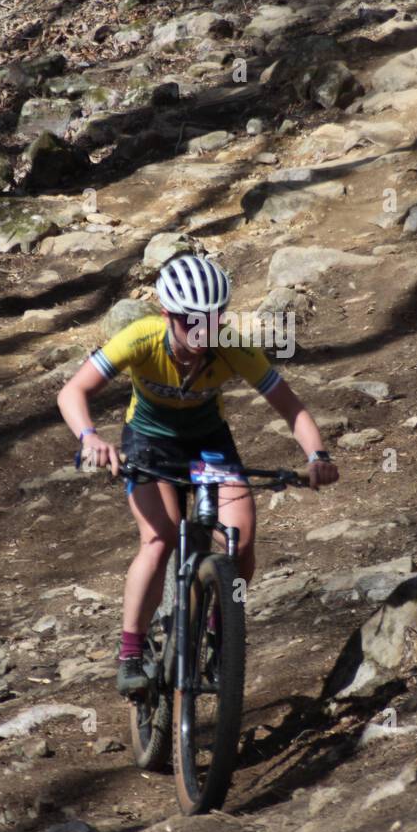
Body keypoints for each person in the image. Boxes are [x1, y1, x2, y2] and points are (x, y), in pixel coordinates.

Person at [57, 254, 339, 696]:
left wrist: (317, 453)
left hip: (208, 443)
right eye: (190, 320)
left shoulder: (230, 344)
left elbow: (291, 406)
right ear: (168, 315)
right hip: (149, 441)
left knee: (241, 540)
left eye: (211, 318)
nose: (201, 330)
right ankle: (131, 650)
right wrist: (90, 438)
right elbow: (73, 391)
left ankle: (218, 626)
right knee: (160, 537)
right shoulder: (141, 337)